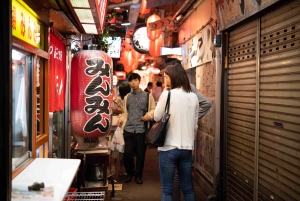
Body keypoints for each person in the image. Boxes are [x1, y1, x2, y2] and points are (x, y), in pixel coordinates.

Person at [161, 58, 212, 201]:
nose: (165, 78)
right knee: (185, 184)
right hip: (185, 144)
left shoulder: (188, 88)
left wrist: (192, 119)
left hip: (172, 143)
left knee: (172, 183)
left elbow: (207, 103)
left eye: (166, 75)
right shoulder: (176, 90)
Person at [155, 62, 199, 200]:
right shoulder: (193, 97)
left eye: (166, 77)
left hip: (168, 147)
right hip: (186, 148)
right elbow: (195, 125)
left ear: (172, 77)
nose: (165, 80)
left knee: (167, 191)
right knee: (188, 189)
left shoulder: (167, 94)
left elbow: (157, 116)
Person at [117, 73, 156, 184]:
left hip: (141, 130)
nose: (133, 83)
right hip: (128, 129)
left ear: (139, 81)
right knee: (127, 154)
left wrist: (149, 115)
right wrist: (121, 119)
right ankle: (130, 173)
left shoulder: (148, 96)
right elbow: (125, 112)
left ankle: (138, 176)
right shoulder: (127, 97)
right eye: (131, 81)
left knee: (140, 155)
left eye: (135, 80)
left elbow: (153, 109)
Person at [111, 83, 131, 175]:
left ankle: (119, 168)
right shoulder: (119, 100)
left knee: (121, 149)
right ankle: (115, 168)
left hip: (123, 126)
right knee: (118, 148)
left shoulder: (125, 99)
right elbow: (114, 110)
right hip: (120, 127)